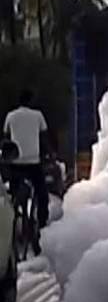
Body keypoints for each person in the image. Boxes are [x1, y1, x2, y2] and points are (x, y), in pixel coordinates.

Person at [3, 90, 50, 233]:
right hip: (33, 162)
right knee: (42, 194)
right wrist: (49, 154)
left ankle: (13, 219)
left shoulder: (10, 116)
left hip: (15, 163)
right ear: (31, 101)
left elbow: (6, 135)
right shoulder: (37, 115)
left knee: (12, 194)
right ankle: (42, 225)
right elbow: (44, 136)